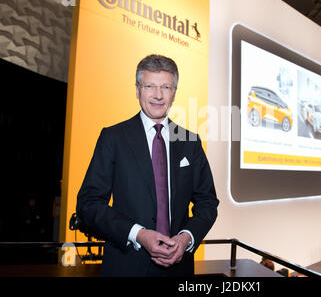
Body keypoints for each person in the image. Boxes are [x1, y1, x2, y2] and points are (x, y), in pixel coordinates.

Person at [76, 54, 219, 277]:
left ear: (174, 93)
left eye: (166, 87)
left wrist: (186, 238)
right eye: (150, 86)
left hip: (179, 269)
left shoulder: (190, 141)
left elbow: (208, 202)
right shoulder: (113, 138)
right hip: (126, 266)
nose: (158, 95)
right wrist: (138, 234)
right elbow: (89, 203)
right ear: (137, 90)